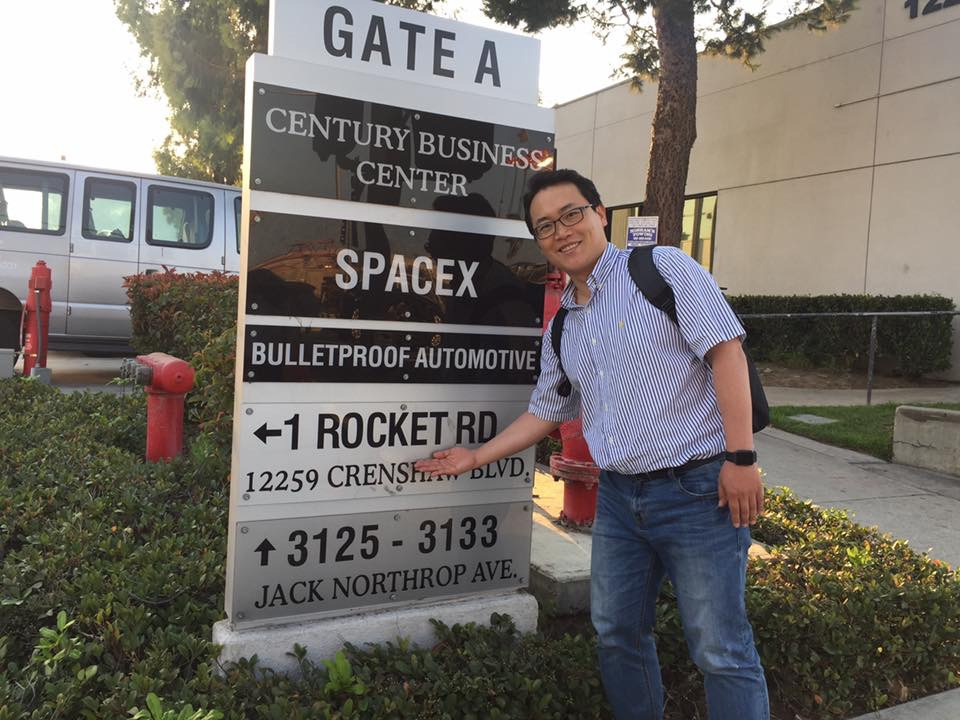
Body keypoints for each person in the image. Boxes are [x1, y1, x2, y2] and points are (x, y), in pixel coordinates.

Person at [415, 169, 769, 720]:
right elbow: (547, 409)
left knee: (721, 649)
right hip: (620, 500)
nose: (561, 231)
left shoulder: (663, 270)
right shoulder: (564, 324)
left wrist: (741, 458)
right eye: (545, 226)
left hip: (698, 490)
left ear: (600, 214)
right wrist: (476, 456)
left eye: (571, 214)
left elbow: (727, 353)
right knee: (616, 633)